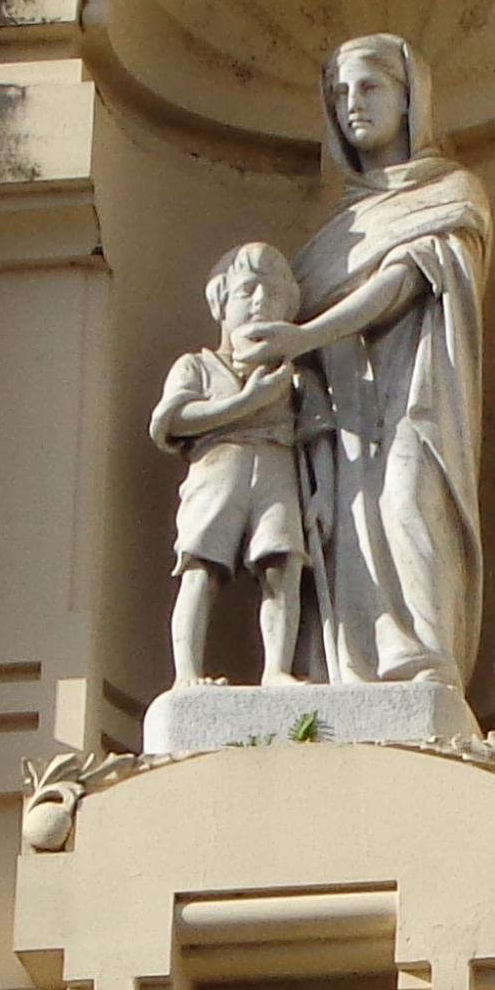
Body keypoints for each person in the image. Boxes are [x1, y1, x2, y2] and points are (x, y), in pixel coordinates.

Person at [245, 33, 489, 703]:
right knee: (344, 518)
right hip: (342, 413)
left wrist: (301, 334)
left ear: (412, 99)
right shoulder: (340, 231)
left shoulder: (449, 192)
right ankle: (345, 669)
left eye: (371, 86)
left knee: (408, 497)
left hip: (417, 398)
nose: (354, 104)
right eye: (341, 92)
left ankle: (423, 659)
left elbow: (402, 286)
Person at [152, 242, 314, 690]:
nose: (261, 302)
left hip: (276, 462)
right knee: (201, 567)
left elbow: (318, 432)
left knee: (283, 565)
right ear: (221, 303)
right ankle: (187, 674)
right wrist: (246, 403)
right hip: (218, 465)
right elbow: (173, 421)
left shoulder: (293, 373)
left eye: (274, 294)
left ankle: (276, 668)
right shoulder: (198, 366)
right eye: (248, 291)